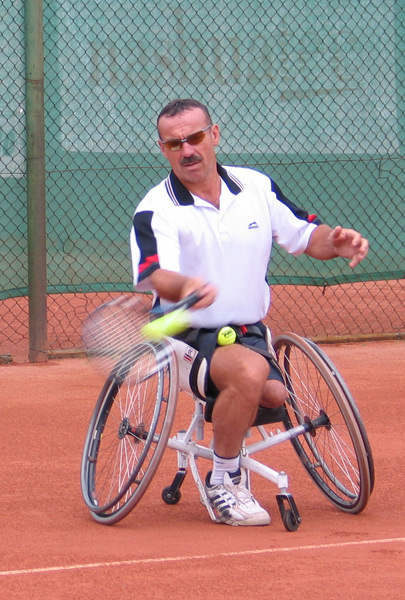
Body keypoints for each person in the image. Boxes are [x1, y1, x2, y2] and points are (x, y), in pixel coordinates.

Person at [130, 98, 369, 527]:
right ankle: (225, 479)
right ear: (163, 149)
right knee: (247, 374)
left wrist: (336, 243)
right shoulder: (156, 208)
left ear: (215, 135)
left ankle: (224, 416)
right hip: (183, 337)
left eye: (196, 137)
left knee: (274, 395)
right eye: (174, 143)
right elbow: (152, 274)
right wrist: (184, 285)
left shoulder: (256, 187)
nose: (188, 150)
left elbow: (306, 236)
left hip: (247, 331)